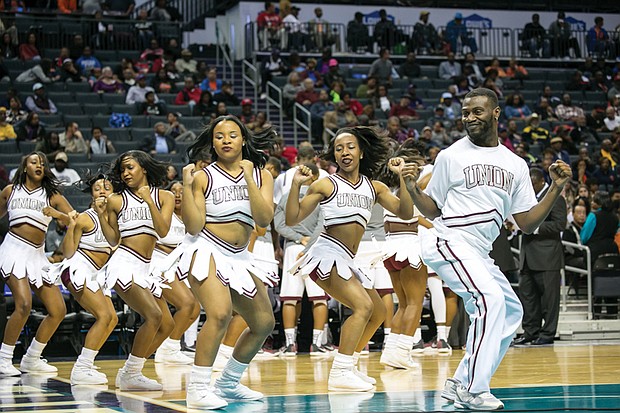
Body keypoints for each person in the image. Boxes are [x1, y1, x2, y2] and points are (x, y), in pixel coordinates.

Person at [403, 88, 572, 410]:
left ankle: (461, 383)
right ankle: (476, 389)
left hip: (479, 252)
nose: (469, 118)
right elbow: (433, 209)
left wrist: (555, 187)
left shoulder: (516, 164)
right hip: (449, 239)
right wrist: (412, 189)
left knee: (511, 311)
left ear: (495, 113)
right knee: (489, 299)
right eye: (465, 112)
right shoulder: (451, 155)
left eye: (477, 111)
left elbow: (526, 223)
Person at [286, 126, 414, 391]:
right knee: (363, 307)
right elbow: (292, 218)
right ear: (334, 154)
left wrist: (403, 179)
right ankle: (340, 371)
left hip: (348, 259)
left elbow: (404, 212)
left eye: (350, 146)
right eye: (339, 148)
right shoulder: (326, 184)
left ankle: (350, 364)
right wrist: (296, 185)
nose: (344, 152)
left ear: (361, 151)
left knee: (378, 311)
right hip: (325, 254)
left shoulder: (374, 187)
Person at [180, 115, 278, 409]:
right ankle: (197, 389)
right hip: (206, 250)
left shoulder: (262, 176)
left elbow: (263, 219)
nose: (226, 140)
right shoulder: (202, 177)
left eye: (232, 135)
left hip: (240, 257)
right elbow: (193, 227)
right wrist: (186, 188)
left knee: (263, 323)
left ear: (243, 140)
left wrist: (249, 177)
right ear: (212, 143)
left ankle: (228, 383)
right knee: (220, 314)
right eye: (219, 136)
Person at [98, 150, 175, 390]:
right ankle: (131, 373)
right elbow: (112, 239)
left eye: (130, 167)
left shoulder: (165, 196)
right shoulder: (116, 200)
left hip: (146, 267)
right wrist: (102, 216)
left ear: (143, 167)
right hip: (124, 263)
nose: (125, 173)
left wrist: (149, 200)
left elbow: (162, 231)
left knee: (167, 325)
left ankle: (131, 369)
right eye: (122, 169)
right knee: (154, 316)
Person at [0, 152, 75, 376]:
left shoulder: (52, 195)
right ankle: (4, 359)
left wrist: (56, 214)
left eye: (42, 163)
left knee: (58, 309)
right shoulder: (10, 191)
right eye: (34, 162)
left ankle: (31, 358)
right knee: (23, 304)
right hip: (13, 249)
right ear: (24, 167)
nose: (39, 165)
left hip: (37, 255)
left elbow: (75, 219)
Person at [48, 172, 118, 384]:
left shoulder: (116, 219)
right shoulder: (86, 218)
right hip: (78, 268)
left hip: (97, 274)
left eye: (107, 187)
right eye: (97, 188)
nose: (102, 191)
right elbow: (68, 252)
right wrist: (71, 225)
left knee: (113, 319)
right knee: (104, 316)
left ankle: (87, 363)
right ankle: (81, 368)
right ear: (92, 194)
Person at [376, 139, 431, 369]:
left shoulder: (393, 188)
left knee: (405, 303)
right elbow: (431, 173)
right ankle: (403, 351)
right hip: (409, 246)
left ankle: (392, 351)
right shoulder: (414, 183)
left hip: (390, 247)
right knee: (415, 303)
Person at [514, 167, 566, 346]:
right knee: (528, 297)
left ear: (540, 182)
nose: (528, 187)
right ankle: (530, 331)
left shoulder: (555, 199)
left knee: (549, 300)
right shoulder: (527, 200)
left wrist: (533, 227)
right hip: (527, 256)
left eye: (531, 183)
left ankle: (548, 333)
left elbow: (560, 225)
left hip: (547, 257)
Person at [150, 181, 200, 365]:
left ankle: (170, 347)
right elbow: (150, 240)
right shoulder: (164, 215)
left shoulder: (189, 219)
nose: (178, 195)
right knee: (187, 304)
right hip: (158, 263)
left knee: (194, 308)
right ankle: (167, 349)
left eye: (181, 191)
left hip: (178, 267)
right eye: (174, 191)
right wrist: (175, 252)